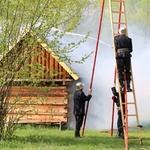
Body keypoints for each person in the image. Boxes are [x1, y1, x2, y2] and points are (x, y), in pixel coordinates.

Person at [114, 27, 133, 92]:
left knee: (120, 71)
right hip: (127, 56)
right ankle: (128, 87)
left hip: (119, 56)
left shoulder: (116, 38)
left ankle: (121, 86)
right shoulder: (129, 39)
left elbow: (115, 48)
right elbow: (131, 50)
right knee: (128, 71)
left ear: (119, 32)